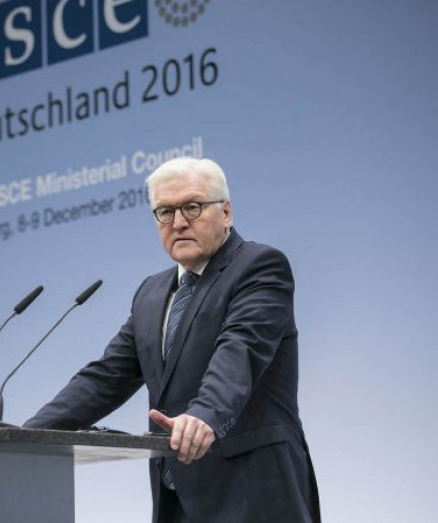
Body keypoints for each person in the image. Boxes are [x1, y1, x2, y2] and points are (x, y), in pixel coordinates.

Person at [24, 158, 320, 522]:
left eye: (192, 207)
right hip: (176, 500)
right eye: (165, 211)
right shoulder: (151, 293)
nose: (178, 222)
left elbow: (240, 351)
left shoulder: (259, 267)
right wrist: (21, 437)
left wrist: (204, 415)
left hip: (253, 494)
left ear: (226, 212)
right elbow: (105, 378)